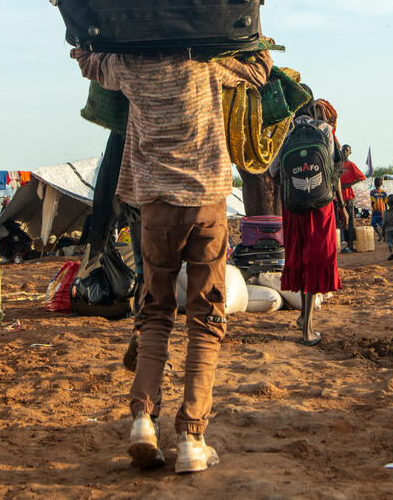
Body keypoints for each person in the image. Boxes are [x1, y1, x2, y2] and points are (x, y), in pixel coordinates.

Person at [72, 44, 271, 475]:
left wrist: (89, 43)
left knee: (155, 312)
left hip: (155, 209)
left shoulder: (129, 66)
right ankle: (191, 438)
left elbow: (88, 61)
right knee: (205, 318)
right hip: (206, 206)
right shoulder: (209, 63)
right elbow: (258, 69)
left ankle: (143, 420)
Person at [273, 100, 344, 347]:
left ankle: (304, 316)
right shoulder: (324, 130)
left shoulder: (286, 131)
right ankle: (307, 331)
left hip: (292, 208)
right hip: (321, 207)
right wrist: (342, 207)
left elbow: (273, 171)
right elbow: (335, 168)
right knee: (316, 260)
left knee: (301, 260)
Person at [338, 145, 364, 253]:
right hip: (338, 198)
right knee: (340, 221)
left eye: (347, 150)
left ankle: (350, 244)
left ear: (350, 153)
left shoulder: (351, 165)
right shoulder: (338, 165)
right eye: (343, 150)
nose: (344, 152)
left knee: (350, 220)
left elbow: (361, 177)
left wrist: (348, 184)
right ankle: (342, 243)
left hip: (348, 197)